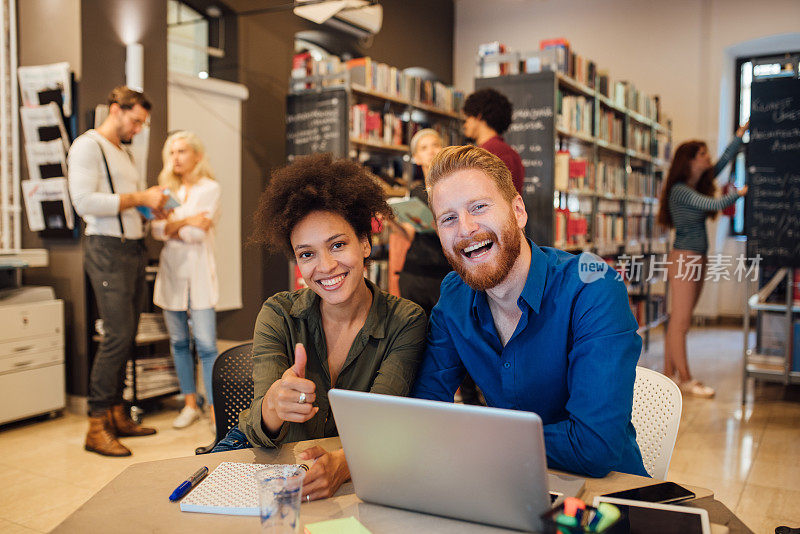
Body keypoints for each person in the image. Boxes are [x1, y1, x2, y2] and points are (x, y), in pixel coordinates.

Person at [411, 145, 648, 478]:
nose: (465, 229)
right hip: (509, 485)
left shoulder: (593, 287)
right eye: (448, 219)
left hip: (606, 501)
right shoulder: (455, 296)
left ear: (517, 211)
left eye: (479, 207)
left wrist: (479, 440)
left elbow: (594, 447)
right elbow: (425, 410)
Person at [213, 153, 427, 501]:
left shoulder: (406, 321)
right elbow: (256, 427)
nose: (325, 266)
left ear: (365, 243)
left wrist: (342, 465)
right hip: (275, 473)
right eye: (307, 254)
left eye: (337, 245)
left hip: (359, 477)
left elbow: (379, 425)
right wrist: (273, 406)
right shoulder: (278, 314)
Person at [68, 86, 168, 457]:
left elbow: (124, 203)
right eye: (135, 120)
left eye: (143, 123)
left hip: (131, 249)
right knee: (117, 335)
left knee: (127, 337)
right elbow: (83, 202)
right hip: (106, 249)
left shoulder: (123, 152)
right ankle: (96, 425)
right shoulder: (87, 146)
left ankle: (116, 412)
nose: (139, 129)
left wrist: (150, 208)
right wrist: (140, 198)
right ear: (116, 110)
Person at [657, 122, 749, 398]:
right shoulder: (680, 191)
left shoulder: (696, 184)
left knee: (679, 320)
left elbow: (720, 163)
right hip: (685, 257)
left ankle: (668, 374)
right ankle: (685, 379)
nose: (708, 158)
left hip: (697, 256)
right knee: (681, 322)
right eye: (703, 154)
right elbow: (711, 204)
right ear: (691, 161)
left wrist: (739, 137)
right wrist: (739, 194)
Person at [151, 131, 221, 429]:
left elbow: (196, 233)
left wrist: (171, 225)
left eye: (181, 151)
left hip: (199, 275)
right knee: (179, 342)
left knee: (206, 344)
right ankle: (190, 404)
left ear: (197, 155)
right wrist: (187, 221)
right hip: (172, 274)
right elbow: (155, 231)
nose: (176, 158)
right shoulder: (164, 191)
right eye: (172, 152)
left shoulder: (210, 188)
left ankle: (218, 410)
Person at [394, 129, 452, 316]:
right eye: (424, 148)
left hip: (444, 273)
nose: (431, 150)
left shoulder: (453, 188)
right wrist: (390, 221)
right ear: (416, 158)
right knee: (414, 332)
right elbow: (409, 234)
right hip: (414, 272)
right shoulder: (415, 192)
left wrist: (439, 227)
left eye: (435, 145)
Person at [462, 88, 524, 194]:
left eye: (468, 117)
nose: (465, 124)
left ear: (478, 116)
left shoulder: (481, 154)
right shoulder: (514, 155)